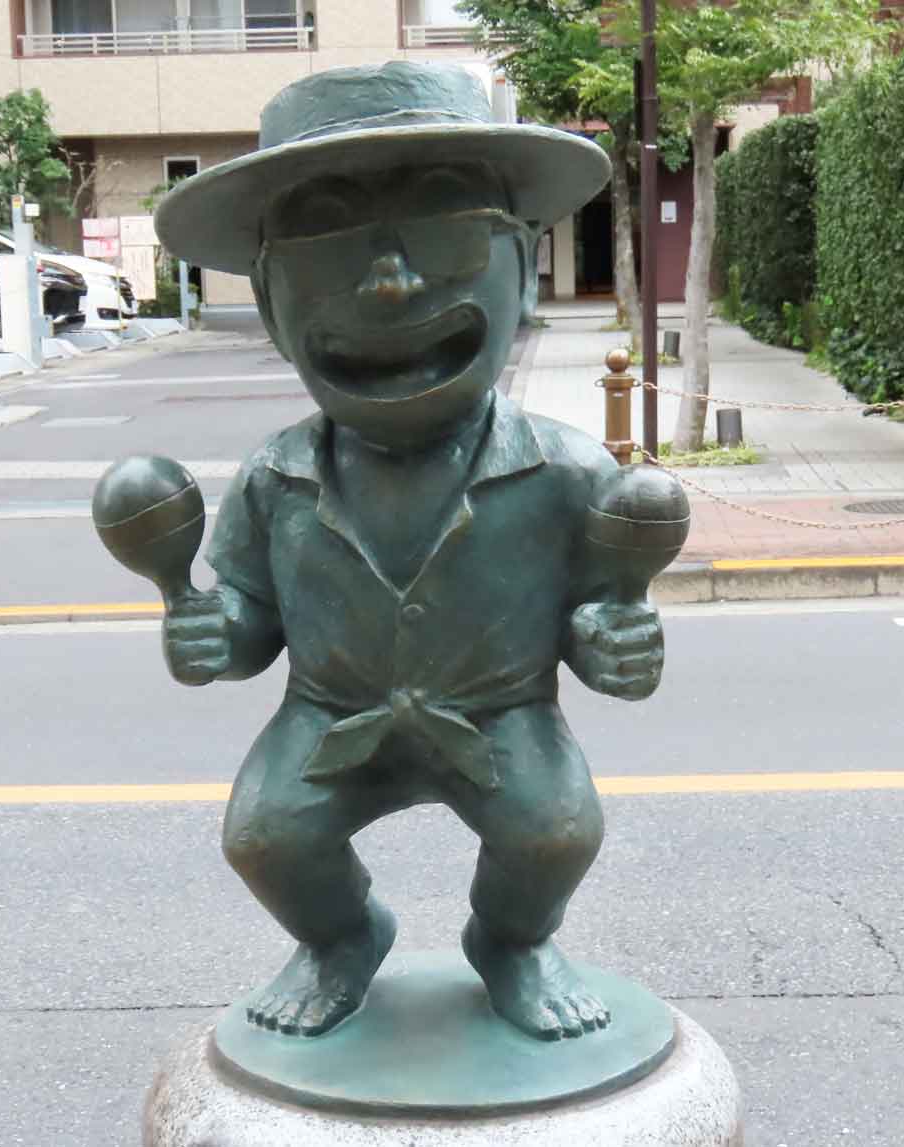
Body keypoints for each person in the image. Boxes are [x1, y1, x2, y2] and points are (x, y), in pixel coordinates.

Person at [151, 62, 662, 1042]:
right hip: (331, 717)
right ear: (270, 301)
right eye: (327, 255)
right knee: (264, 835)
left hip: (500, 715)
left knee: (555, 829)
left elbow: (601, 617)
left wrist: (614, 639)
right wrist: (214, 627)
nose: (390, 282)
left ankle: (511, 940)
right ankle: (342, 936)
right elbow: (251, 620)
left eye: (446, 237)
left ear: (522, 267)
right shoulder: (275, 476)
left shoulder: (568, 472)